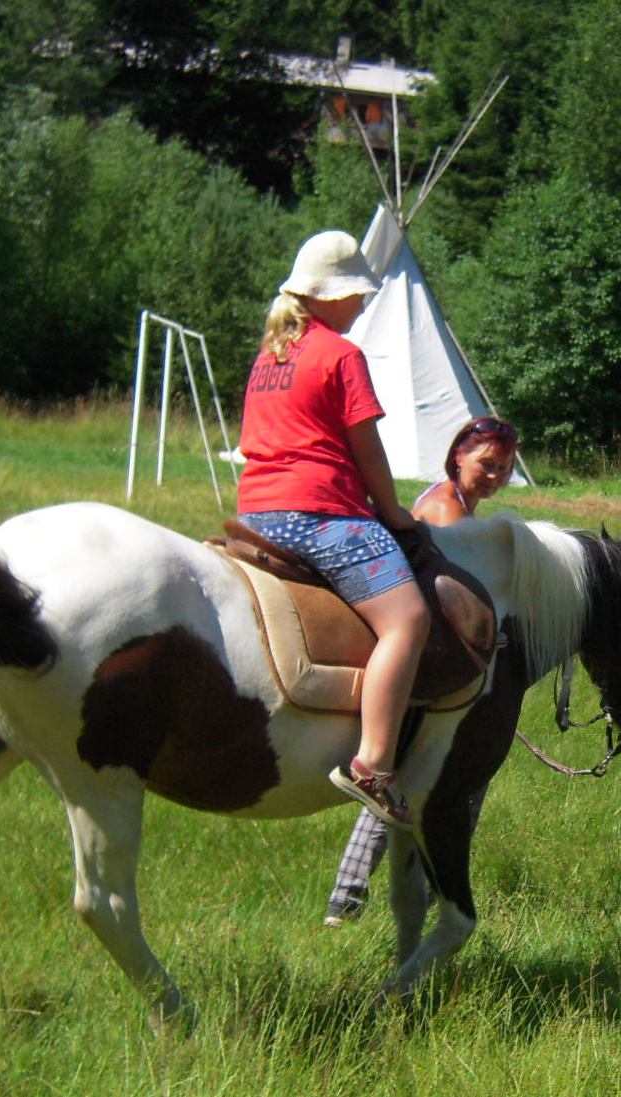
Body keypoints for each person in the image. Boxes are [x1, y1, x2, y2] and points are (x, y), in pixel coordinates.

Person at [238, 229, 429, 829]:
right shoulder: (341, 355)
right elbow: (367, 449)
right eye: (358, 293)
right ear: (330, 294)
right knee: (408, 619)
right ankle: (372, 764)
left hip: (255, 511)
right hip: (318, 512)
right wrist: (393, 512)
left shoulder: (272, 355)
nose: (364, 303)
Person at [323, 416, 519, 927]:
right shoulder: (446, 512)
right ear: (458, 456)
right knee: (415, 766)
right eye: (486, 464)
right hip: (421, 656)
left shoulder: (459, 506)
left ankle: (353, 895)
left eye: (504, 468)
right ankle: (356, 895)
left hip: (426, 650)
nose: (495, 476)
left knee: (406, 771)